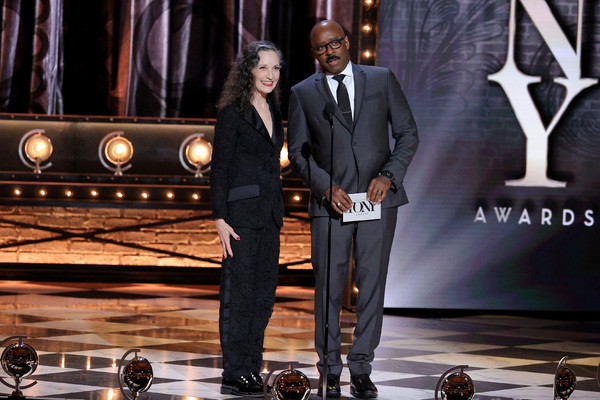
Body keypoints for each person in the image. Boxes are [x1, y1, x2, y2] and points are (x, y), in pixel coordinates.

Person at [287, 20, 419, 398]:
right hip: (332, 204)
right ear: (314, 54)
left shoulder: (380, 79)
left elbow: (408, 133)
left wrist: (389, 176)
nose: (329, 52)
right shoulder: (302, 93)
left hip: (378, 201)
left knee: (372, 285)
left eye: (334, 43)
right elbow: (297, 152)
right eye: (320, 48)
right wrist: (324, 186)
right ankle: (329, 368)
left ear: (347, 42)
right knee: (328, 286)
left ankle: (361, 368)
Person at [210, 40, 285, 398]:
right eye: (263, 68)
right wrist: (219, 218)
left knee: (263, 297)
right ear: (249, 71)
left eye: (275, 68)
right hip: (239, 218)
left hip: (270, 216)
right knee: (238, 296)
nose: (270, 75)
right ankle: (233, 371)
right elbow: (219, 168)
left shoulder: (275, 111)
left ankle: (251, 368)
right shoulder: (232, 113)